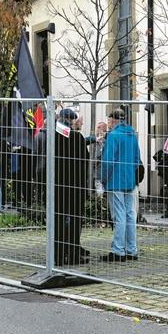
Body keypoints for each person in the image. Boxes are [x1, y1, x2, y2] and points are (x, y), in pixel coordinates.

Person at [99, 108, 141, 262]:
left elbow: (108, 161)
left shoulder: (113, 135)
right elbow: (137, 159)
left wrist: (102, 179)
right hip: (130, 180)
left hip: (115, 180)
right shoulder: (132, 135)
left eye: (109, 120)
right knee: (130, 215)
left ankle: (118, 250)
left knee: (119, 215)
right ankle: (131, 249)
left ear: (113, 119)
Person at [51, 108, 91, 265]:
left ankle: (58, 255)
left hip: (58, 185)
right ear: (71, 120)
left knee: (59, 218)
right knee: (74, 219)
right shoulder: (77, 137)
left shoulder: (53, 136)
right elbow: (85, 161)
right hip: (75, 185)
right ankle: (73, 253)